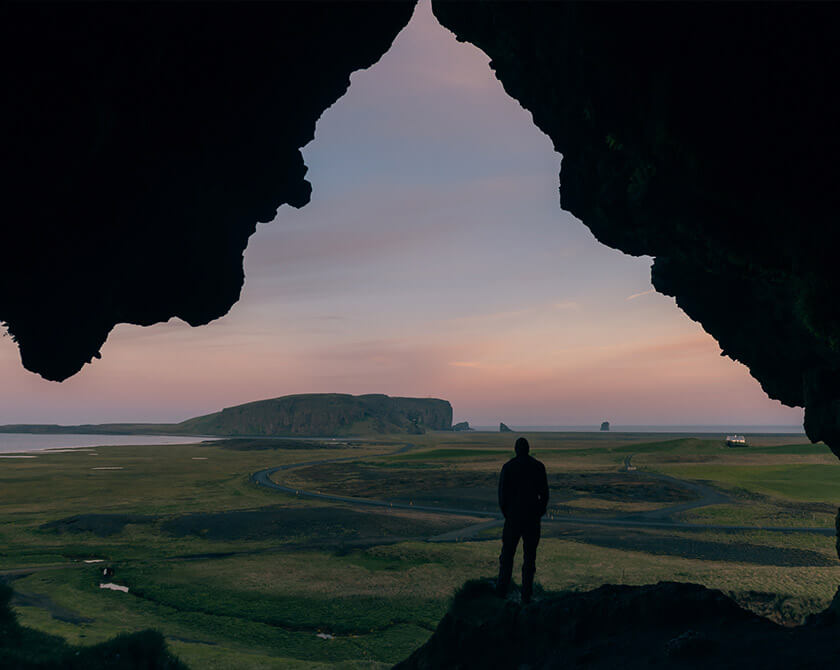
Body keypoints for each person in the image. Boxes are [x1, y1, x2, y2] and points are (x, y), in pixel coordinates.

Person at [496, 436, 549, 603]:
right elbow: (545, 494)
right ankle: (527, 594)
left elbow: (502, 495)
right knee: (529, 557)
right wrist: (539, 511)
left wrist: (508, 513)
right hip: (532, 518)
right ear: (528, 449)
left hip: (513, 517)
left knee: (507, 556)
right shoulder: (538, 467)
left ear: (516, 449)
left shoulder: (509, 467)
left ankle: (502, 591)